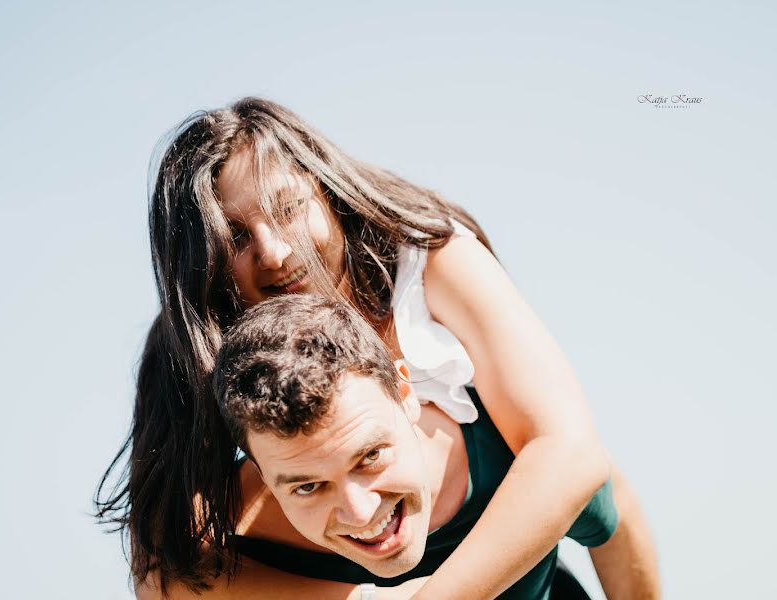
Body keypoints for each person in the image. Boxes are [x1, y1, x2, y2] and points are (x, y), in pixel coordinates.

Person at [94, 97, 659, 598]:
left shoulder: (426, 254)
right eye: (235, 237)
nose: (274, 253)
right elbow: (160, 574)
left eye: (288, 209)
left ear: (326, 191)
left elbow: (573, 453)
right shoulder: (192, 346)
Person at [197, 294, 654, 599]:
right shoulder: (234, 539)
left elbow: (616, 509)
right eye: (308, 487)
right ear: (260, 471)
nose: (359, 512)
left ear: (406, 392)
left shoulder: (517, 454)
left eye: (370, 456)